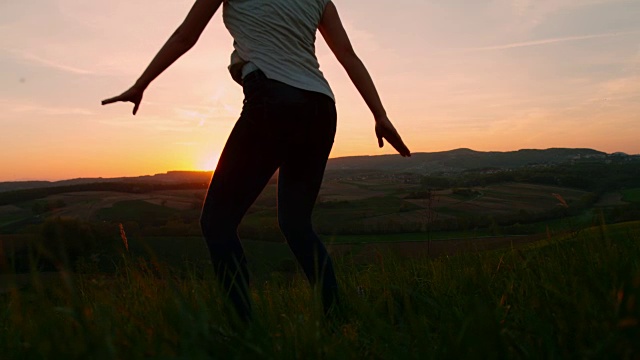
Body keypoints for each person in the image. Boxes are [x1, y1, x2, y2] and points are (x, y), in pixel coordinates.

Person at [102, 0, 411, 323]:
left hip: (272, 100)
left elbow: (185, 37)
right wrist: (380, 114)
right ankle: (339, 321)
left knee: (217, 223)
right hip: (320, 108)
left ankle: (242, 329)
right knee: (296, 224)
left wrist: (141, 83)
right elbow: (348, 56)